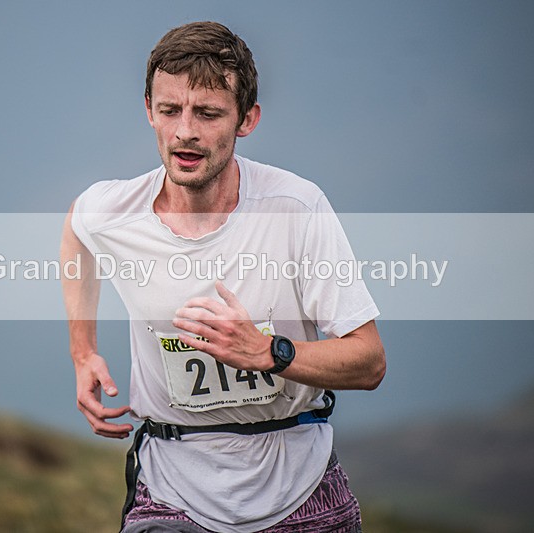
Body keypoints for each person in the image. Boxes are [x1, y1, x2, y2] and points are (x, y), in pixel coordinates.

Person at [61, 21, 385, 533]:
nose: (184, 131)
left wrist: (270, 352)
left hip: (298, 489)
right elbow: (76, 229)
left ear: (246, 120)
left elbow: (368, 362)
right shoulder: (115, 209)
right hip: (171, 490)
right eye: (169, 110)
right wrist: (83, 351)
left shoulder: (296, 208)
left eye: (208, 113)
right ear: (148, 110)